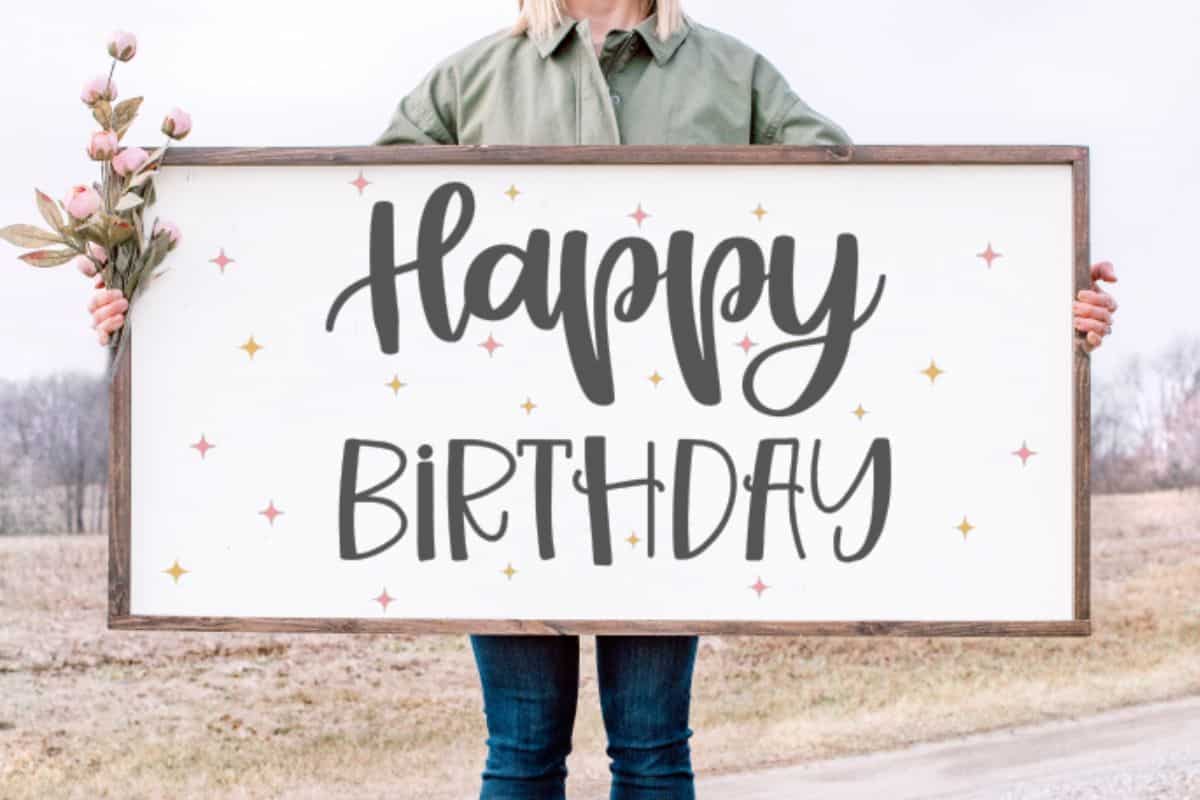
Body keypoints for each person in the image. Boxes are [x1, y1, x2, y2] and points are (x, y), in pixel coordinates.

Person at [83, 2, 1120, 797]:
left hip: (672, 483)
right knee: (521, 746)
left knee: (653, 748)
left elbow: (880, 231)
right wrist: (160, 309)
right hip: (500, 483)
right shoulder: (470, 83)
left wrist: (1035, 298)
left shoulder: (732, 75)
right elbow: (336, 252)